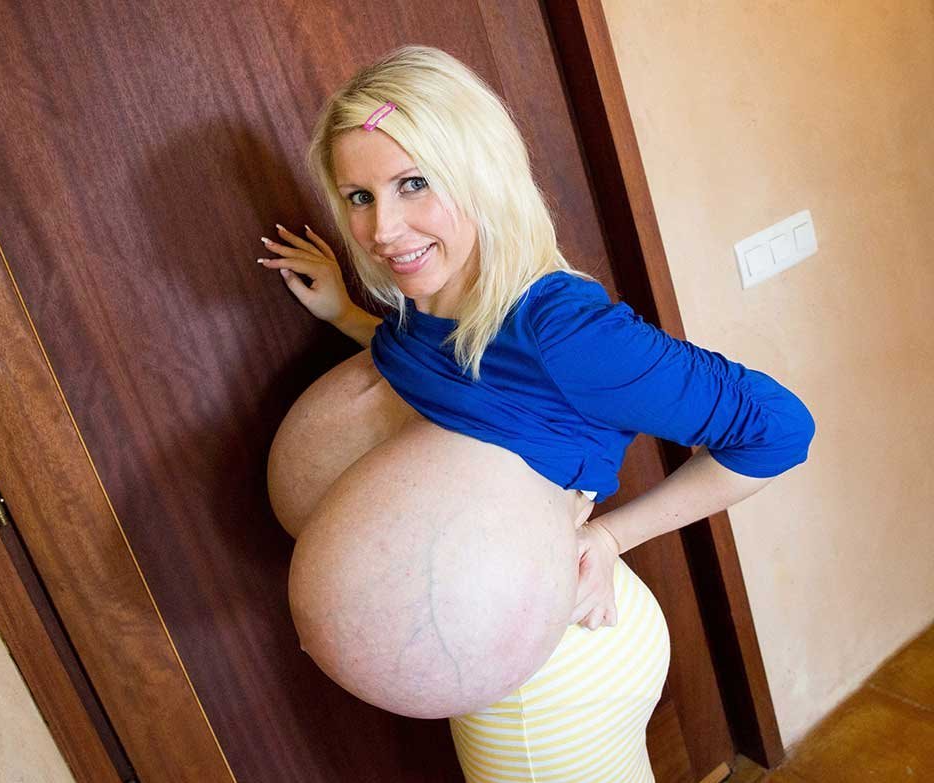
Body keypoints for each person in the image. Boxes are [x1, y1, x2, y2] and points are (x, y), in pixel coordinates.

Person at [257, 45, 814, 783]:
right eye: (359, 197)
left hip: (552, 682)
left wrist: (610, 535)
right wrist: (348, 315)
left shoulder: (565, 331)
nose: (383, 229)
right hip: (503, 660)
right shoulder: (426, 297)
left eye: (413, 183)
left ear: (479, 171)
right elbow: (455, 383)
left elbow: (779, 429)